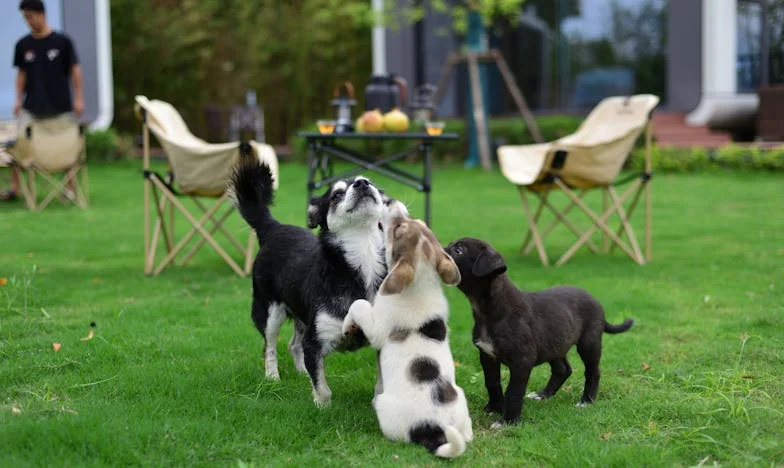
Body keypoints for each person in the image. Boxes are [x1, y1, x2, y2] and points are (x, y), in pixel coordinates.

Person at [2, 0, 83, 201]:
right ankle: (15, 188)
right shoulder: (23, 45)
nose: (28, 21)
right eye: (25, 18)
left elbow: (75, 71)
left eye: (30, 16)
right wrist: (18, 100)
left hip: (60, 106)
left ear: (41, 14)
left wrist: (79, 99)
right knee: (17, 142)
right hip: (32, 107)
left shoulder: (62, 42)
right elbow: (21, 74)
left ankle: (70, 189)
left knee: (68, 146)